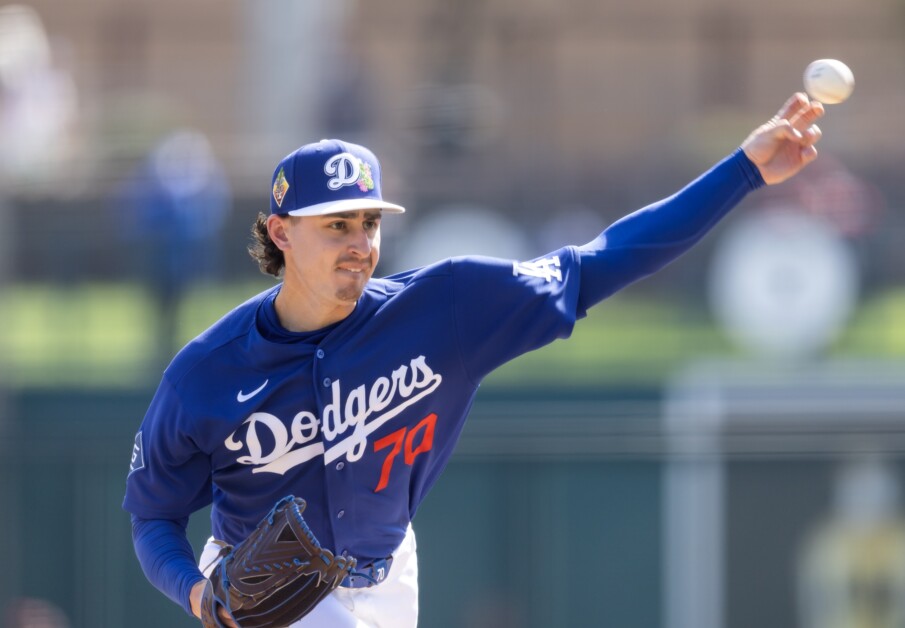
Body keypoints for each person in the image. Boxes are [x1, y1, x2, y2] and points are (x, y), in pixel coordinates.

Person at [123, 92, 825, 627]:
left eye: (368, 222)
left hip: (387, 579)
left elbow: (603, 261)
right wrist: (194, 591)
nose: (360, 243)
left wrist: (744, 171)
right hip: (262, 602)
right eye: (336, 224)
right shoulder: (206, 371)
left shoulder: (445, 309)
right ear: (280, 232)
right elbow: (153, 516)